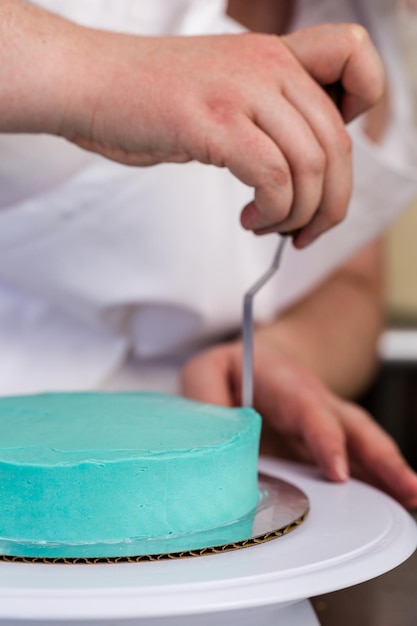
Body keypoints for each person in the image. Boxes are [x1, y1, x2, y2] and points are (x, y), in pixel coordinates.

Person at [0, 0, 417, 507]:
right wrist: (104, 71)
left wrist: (286, 353)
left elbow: (349, 281)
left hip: (198, 507)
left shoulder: (370, 33)